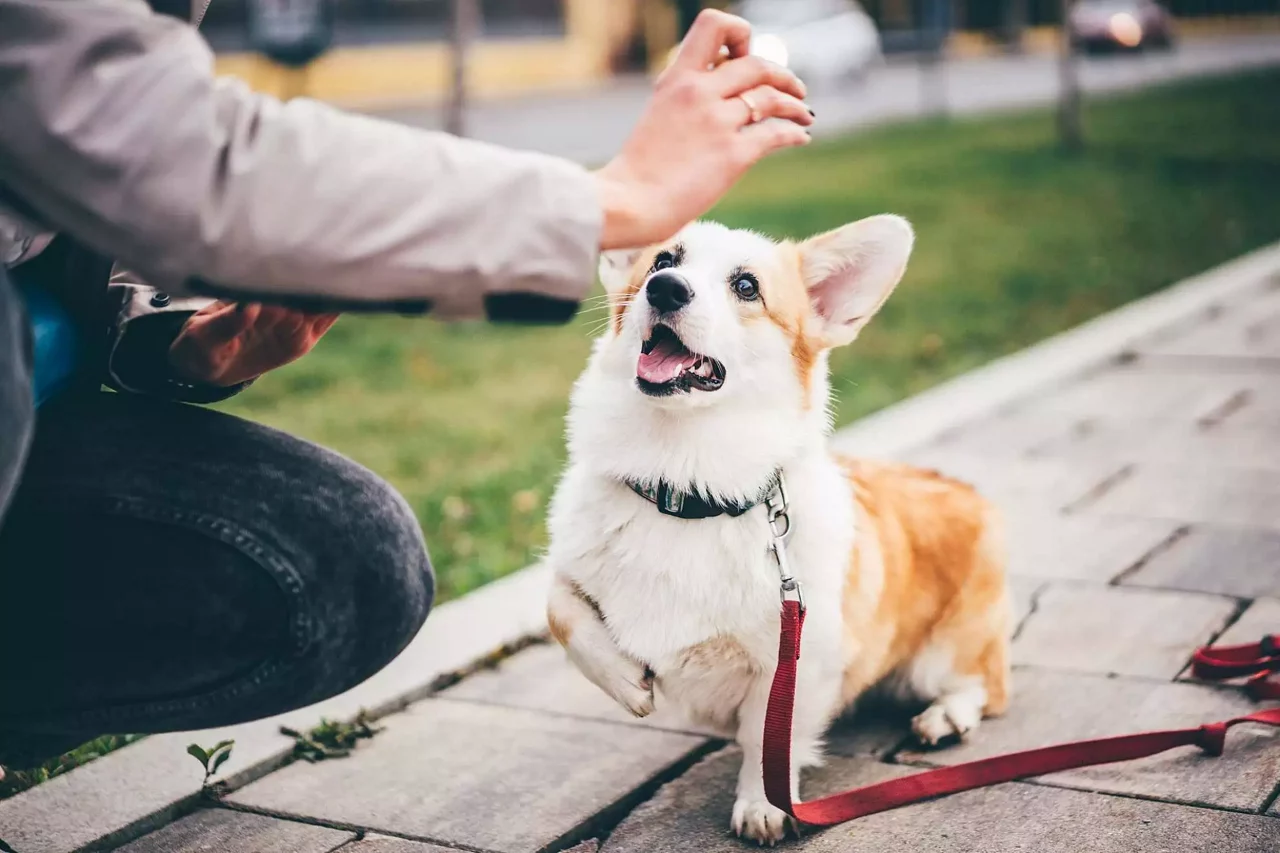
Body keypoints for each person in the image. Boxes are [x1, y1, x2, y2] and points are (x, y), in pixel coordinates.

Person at [0, 0, 813, 769]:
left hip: (37, 401)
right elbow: (142, 133)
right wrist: (612, 197)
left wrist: (186, 347)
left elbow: (96, 196)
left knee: (355, 564)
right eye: (664, 268)